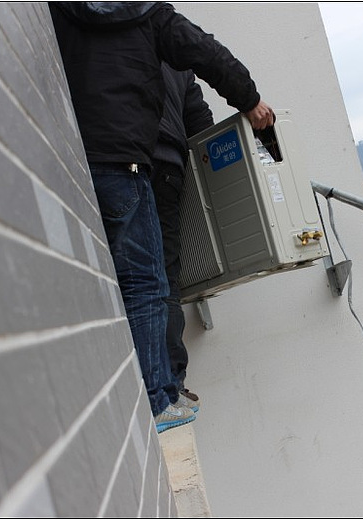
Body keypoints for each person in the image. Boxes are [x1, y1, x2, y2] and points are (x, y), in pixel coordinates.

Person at [49, 2, 275, 433]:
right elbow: (205, 52)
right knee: (148, 283)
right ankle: (158, 398)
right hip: (129, 163)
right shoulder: (147, 12)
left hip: (76, 161)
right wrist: (250, 100)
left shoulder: (59, 8)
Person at [150, 64, 213, 411]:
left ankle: (162, 387)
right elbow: (201, 124)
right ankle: (171, 386)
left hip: (123, 159)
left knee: (139, 276)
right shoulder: (175, 57)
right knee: (164, 276)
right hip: (169, 169)